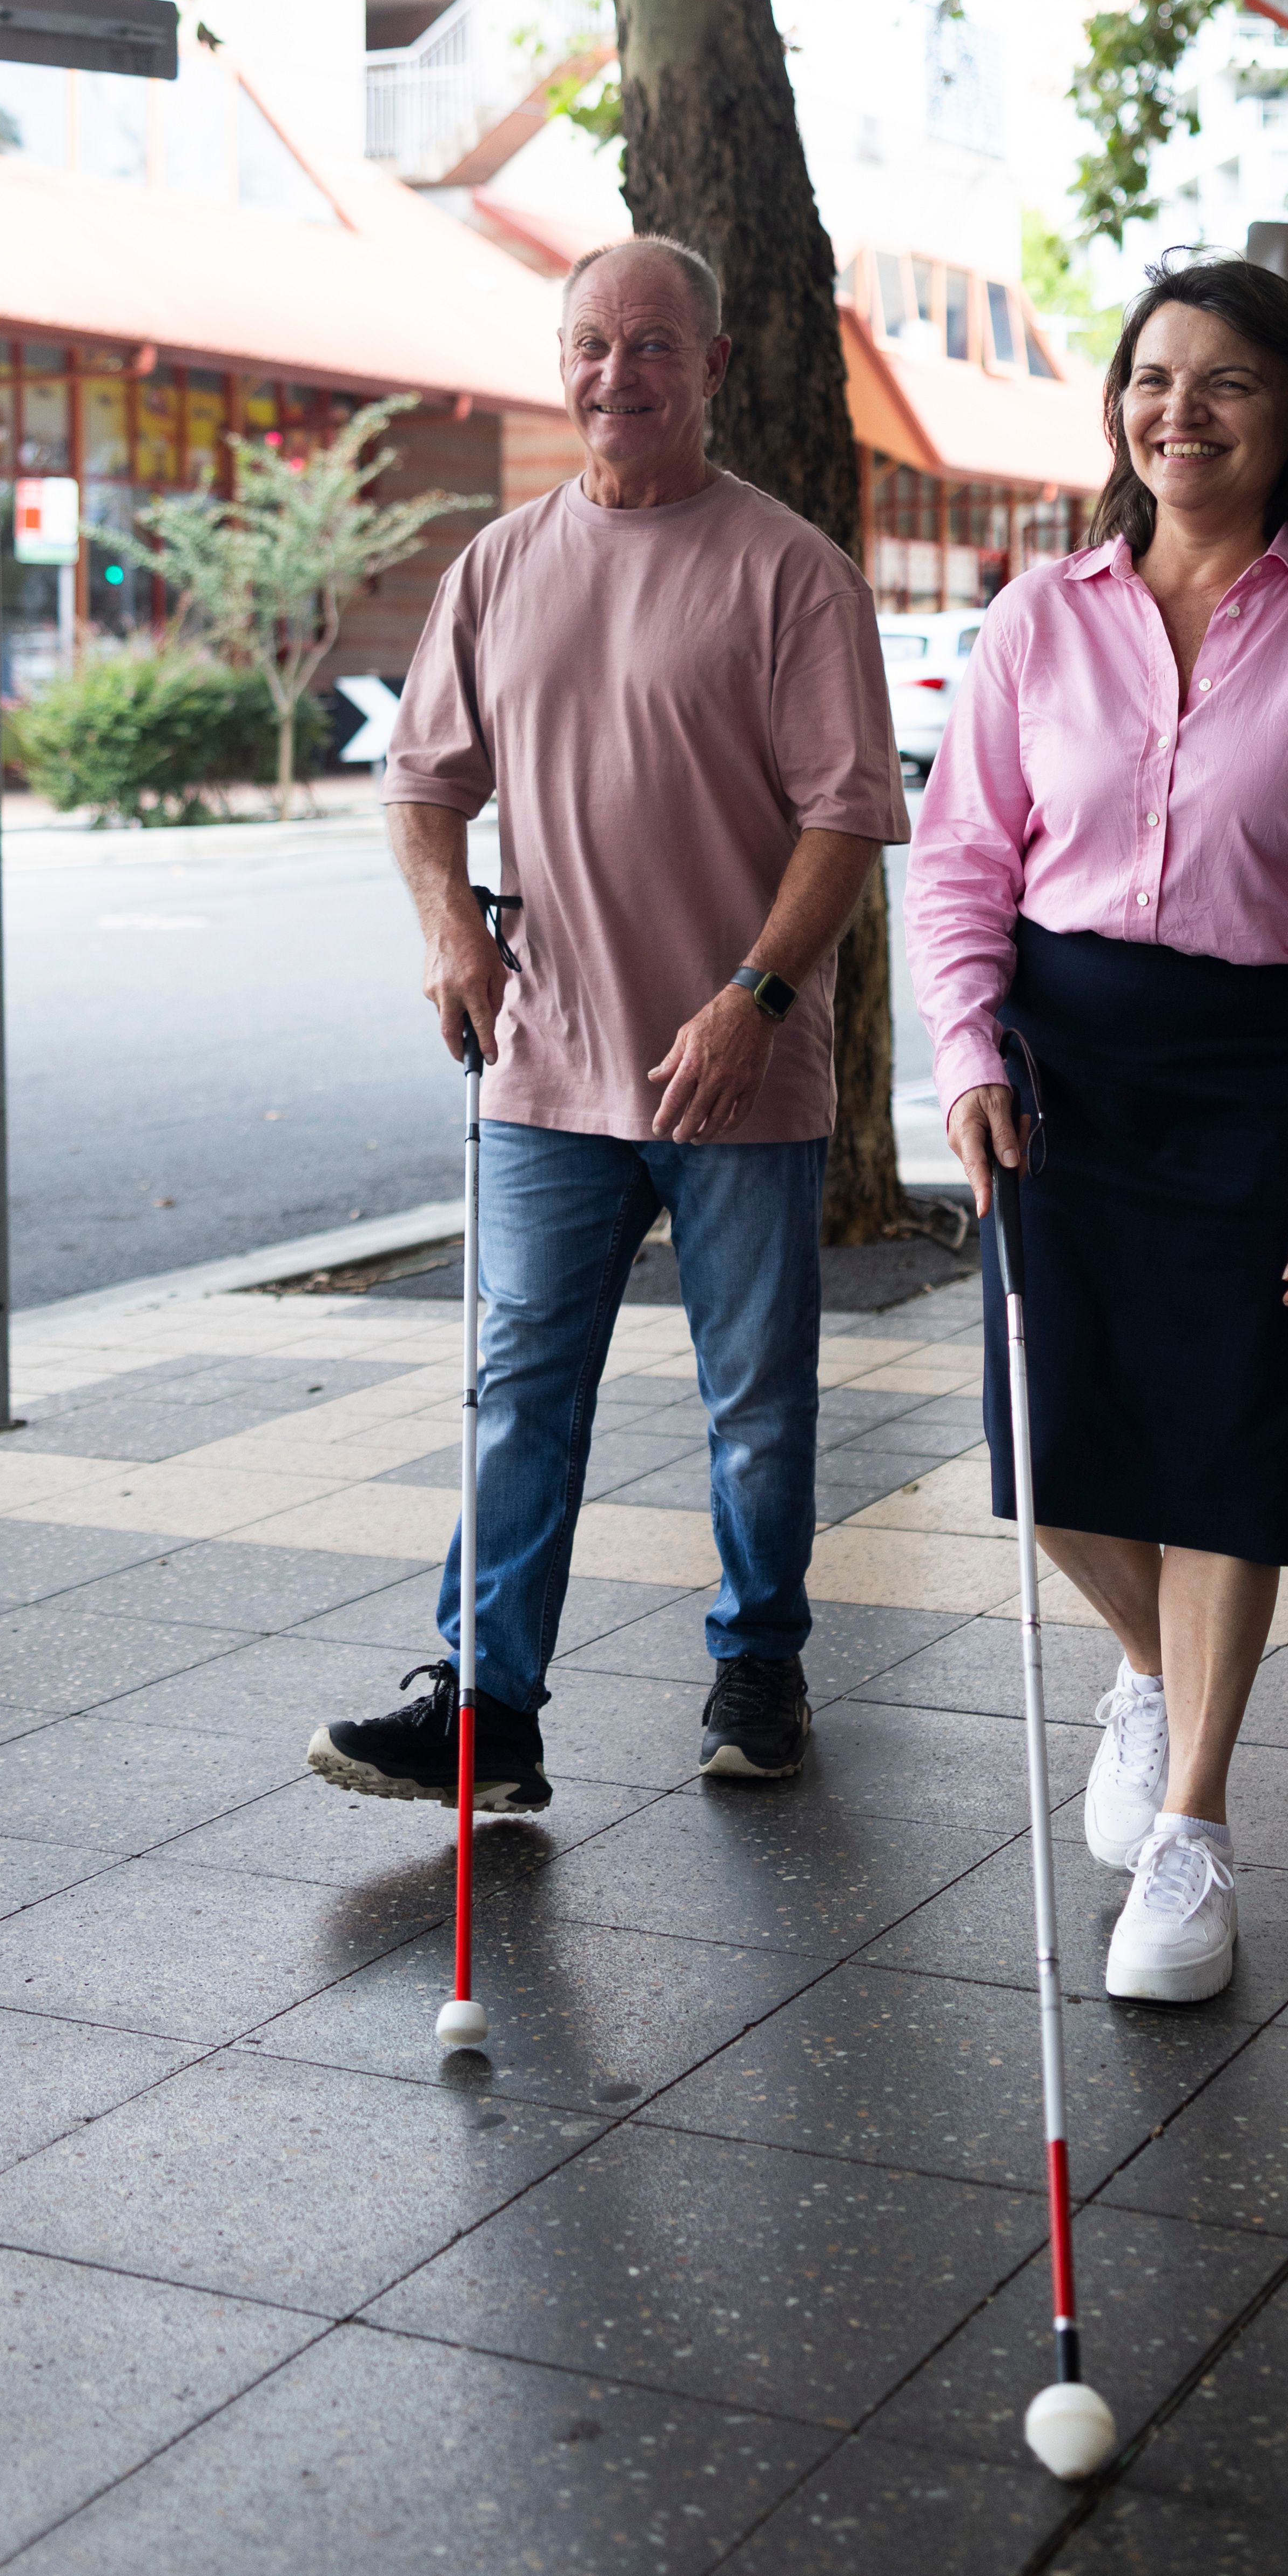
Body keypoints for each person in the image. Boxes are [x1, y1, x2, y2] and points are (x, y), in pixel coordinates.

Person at [904, 256, 1288, 2004]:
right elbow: (959, 864)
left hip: (1266, 1078)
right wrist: (966, 1049)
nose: (1180, 411)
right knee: (1050, 1450)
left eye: (1224, 381)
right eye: (1153, 377)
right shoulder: (1034, 618)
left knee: (1231, 1448)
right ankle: (1150, 1676)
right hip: (1064, 1069)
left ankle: (1194, 1832)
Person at [308, 234, 908, 1812]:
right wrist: (449, 927)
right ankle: (487, 1710)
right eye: (590, 343)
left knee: (757, 1400)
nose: (615, 373)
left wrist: (753, 999)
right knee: (518, 1391)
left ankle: (758, 1666)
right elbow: (425, 783)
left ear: (712, 367)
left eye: (652, 346)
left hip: (736, 1064)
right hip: (544, 1063)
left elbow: (845, 822)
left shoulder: (792, 572)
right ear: (559, 362)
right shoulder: (498, 566)